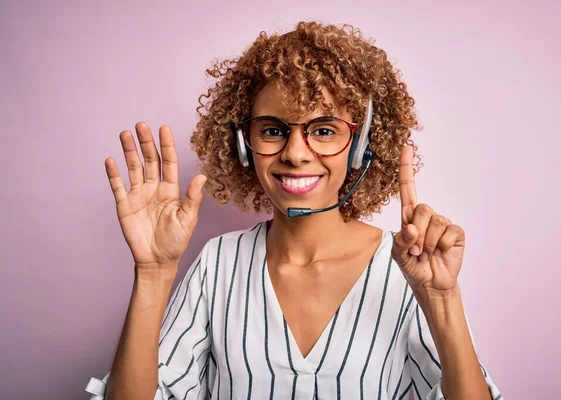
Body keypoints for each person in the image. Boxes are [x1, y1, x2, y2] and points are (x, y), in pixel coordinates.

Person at [86, 21, 503, 400]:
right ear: (243, 147)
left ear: (359, 147)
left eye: (324, 130)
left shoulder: (410, 268)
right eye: (272, 130)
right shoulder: (218, 264)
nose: (296, 154)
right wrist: (153, 274)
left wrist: (441, 298)